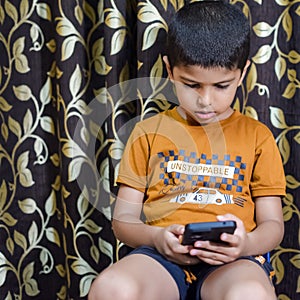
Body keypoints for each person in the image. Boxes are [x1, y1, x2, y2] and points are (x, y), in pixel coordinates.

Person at [88, 1, 286, 299]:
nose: (205, 100)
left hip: (232, 262)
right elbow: (123, 221)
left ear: (242, 73)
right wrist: (158, 237)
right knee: (111, 288)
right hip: (160, 258)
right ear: (170, 70)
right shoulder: (146, 133)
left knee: (249, 294)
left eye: (221, 86)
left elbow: (273, 224)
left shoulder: (257, 137)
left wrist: (244, 245)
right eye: (191, 84)